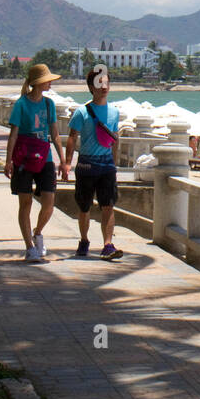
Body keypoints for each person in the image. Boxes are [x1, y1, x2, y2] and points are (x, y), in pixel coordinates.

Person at [5, 62, 68, 263]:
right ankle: (29, 247)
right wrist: (8, 161)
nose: (50, 83)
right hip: (23, 158)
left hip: (45, 157)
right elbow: (13, 134)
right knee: (26, 202)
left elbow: (55, 134)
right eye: (47, 80)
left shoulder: (49, 104)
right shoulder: (21, 104)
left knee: (49, 201)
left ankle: (38, 232)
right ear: (38, 82)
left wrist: (63, 160)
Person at [65, 65, 123, 260]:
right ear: (91, 87)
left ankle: (108, 244)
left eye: (106, 82)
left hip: (106, 165)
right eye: (99, 83)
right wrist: (67, 163)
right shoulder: (82, 112)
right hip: (86, 165)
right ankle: (84, 239)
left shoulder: (114, 112)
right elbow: (72, 137)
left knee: (108, 204)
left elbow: (114, 138)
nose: (104, 86)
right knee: (84, 206)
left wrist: (114, 163)